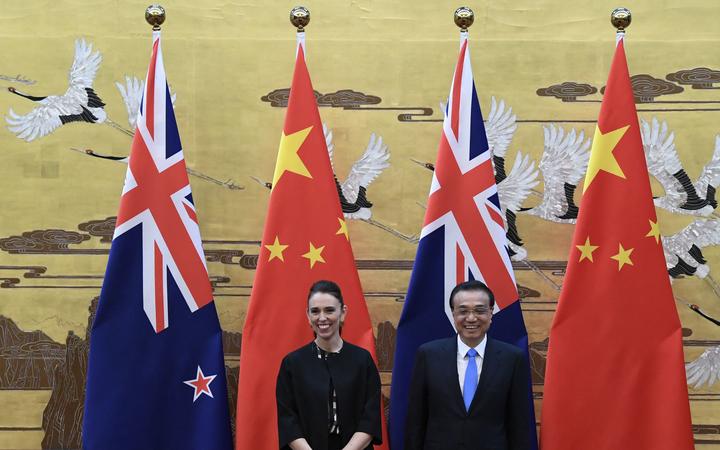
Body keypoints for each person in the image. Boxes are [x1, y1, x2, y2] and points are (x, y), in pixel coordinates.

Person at [404, 280, 532, 450]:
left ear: (491, 313)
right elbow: (416, 419)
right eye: (463, 311)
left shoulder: (513, 358)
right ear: (453, 314)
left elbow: (519, 423)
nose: (471, 318)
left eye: (480, 310)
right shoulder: (428, 354)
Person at [276, 280, 383, 450]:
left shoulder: (363, 361)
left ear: (343, 312)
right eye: (315, 311)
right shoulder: (292, 364)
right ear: (308, 315)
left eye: (329, 310)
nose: (322, 318)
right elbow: (288, 421)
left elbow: (369, 420)